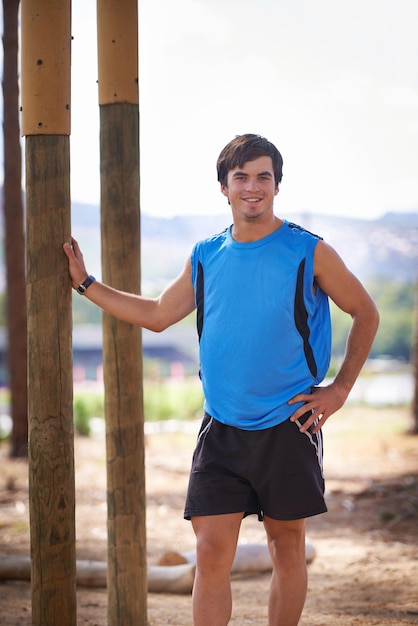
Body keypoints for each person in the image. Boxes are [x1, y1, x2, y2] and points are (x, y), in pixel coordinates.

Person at [63, 133, 379, 626]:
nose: (253, 187)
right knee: (211, 553)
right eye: (242, 178)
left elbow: (365, 312)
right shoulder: (206, 254)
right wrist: (86, 285)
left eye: (263, 178)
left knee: (286, 548)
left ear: (276, 186)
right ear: (224, 188)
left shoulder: (309, 252)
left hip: (288, 423)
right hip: (222, 427)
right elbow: (158, 315)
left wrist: (338, 389)